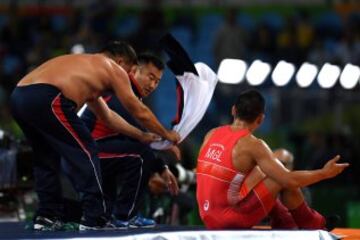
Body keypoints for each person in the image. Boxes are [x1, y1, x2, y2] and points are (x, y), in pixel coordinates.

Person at [10, 41, 180, 231]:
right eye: (129, 71)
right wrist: (167, 134)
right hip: (47, 96)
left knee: (45, 158)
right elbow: (139, 111)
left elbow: (107, 116)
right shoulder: (111, 67)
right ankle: (94, 217)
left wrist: (141, 135)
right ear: (120, 61)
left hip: (19, 96)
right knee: (86, 149)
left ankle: (46, 216)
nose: (128, 76)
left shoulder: (87, 70)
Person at [196, 89, 349, 230]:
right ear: (261, 119)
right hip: (229, 221)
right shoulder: (252, 145)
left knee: (264, 173)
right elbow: (289, 180)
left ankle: (284, 220)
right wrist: (324, 173)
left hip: (206, 216)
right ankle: (313, 222)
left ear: (233, 110)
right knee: (281, 178)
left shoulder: (212, 133)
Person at [80, 52, 179, 228]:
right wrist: (166, 140)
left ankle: (111, 215)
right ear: (134, 71)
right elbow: (141, 135)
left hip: (100, 151)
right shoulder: (120, 92)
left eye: (157, 81)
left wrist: (161, 166)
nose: (153, 85)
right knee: (140, 155)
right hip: (88, 154)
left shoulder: (131, 96)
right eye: (150, 77)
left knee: (134, 153)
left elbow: (140, 135)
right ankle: (126, 215)